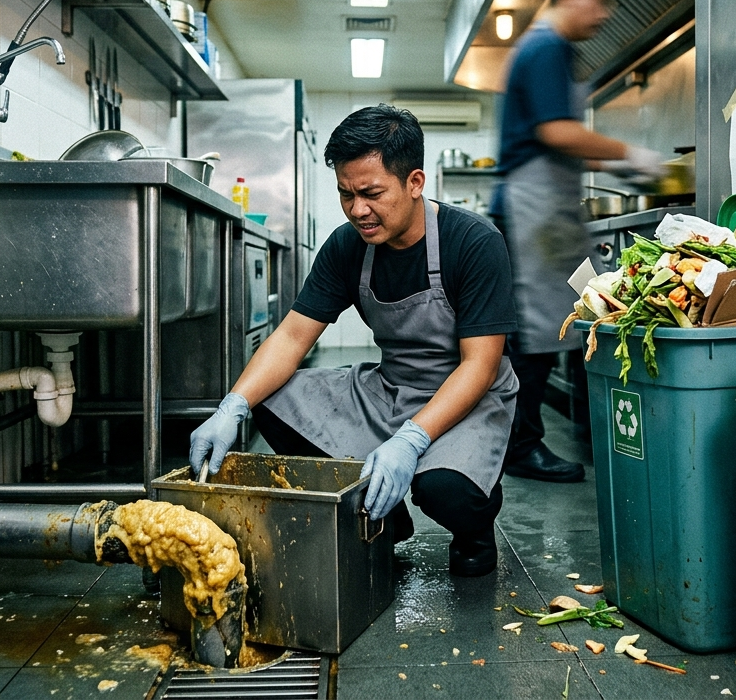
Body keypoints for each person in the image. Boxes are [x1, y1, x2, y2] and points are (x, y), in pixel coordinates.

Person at [188, 105, 519, 577]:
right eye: (346, 194)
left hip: (469, 394)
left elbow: (481, 365)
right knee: (273, 398)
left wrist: (411, 440)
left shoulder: (473, 241)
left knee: (444, 489)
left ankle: (474, 527)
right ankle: (382, 518)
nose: (358, 210)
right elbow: (292, 336)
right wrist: (232, 406)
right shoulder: (347, 246)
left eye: (372, 193)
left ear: (415, 183)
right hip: (390, 388)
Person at [493, 0, 664, 483]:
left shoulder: (554, 51)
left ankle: (576, 432)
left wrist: (617, 163)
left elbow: (564, 142)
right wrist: (629, 153)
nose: (606, 13)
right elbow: (555, 132)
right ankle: (520, 447)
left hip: (546, 210)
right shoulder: (544, 47)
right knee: (535, 330)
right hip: (532, 210)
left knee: (560, 320)